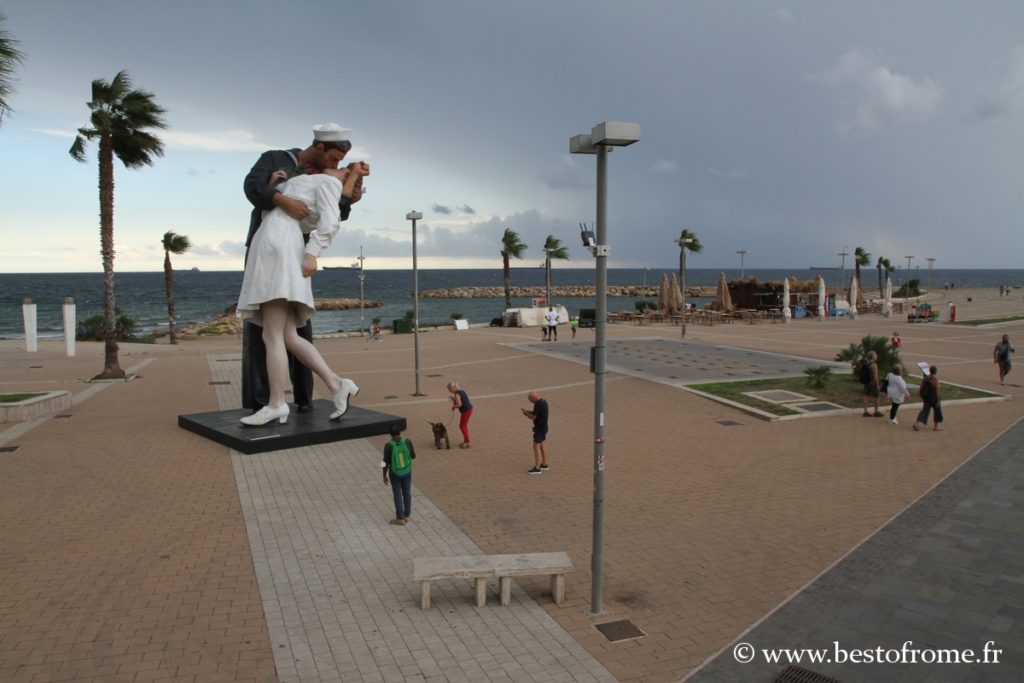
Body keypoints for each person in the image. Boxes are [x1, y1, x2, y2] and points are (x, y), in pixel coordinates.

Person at [241, 123, 365, 413]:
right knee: (270, 334)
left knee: (288, 331)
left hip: (289, 249)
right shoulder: (275, 158)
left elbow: (331, 216)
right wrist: (282, 199)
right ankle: (265, 401)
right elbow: (253, 187)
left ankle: (299, 400)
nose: (335, 166)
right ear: (319, 148)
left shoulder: (324, 179)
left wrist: (348, 197)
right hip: (269, 249)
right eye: (333, 160)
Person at [381, 424, 415, 525]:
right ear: (400, 432)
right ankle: (406, 514)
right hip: (407, 471)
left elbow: (385, 462)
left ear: (390, 434)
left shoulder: (388, 445)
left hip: (395, 473)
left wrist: (384, 475)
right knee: (407, 492)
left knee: (397, 494)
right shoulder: (407, 441)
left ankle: (400, 517)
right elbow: (413, 456)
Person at [522, 391, 549, 474]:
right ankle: (544, 464)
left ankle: (537, 468)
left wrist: (526, 414)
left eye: (530, 399)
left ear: (534, 397)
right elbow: (536, 413)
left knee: (536, 446)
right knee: (542, 445)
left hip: (539, 429)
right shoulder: (543, 402)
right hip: (544, 427)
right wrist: (528, 411)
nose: (530, 401)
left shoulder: (538, 404)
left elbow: (533, 417)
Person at [913, 365, 943, 431]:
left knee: (925, 411)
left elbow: (921, 387)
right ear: (936, 372)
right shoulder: (935, 379)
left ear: (929, 371)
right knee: (937, 411)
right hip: (934, 398)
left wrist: (921, 395)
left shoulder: (926, 378)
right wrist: (938, 400)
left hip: (926, 398)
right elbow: (937, 391)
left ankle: (916, 423)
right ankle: (936, 426)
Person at [447, 381, 473, 448]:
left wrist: (454, 407)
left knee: (462, 426)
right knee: (463, 426)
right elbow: (461, 400)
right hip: (469, 409)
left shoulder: (457, 394)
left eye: (449, 389)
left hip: (466, 411)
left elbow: (459, 404)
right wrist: (454, 399)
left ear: (453, 388)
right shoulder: (461, 391)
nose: (449, 391)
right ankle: (466, 441)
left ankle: (467, 442)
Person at [861, 351, 883, 417]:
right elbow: (875, 376)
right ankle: (876, 411)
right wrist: (877, 385)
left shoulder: (867, 363)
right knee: (877, 396)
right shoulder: (874, 365)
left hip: (867, 382)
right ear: (872, 357)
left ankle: (865, 411)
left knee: (865, 395)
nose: (876, 356)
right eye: (875, 355)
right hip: (872, 383)